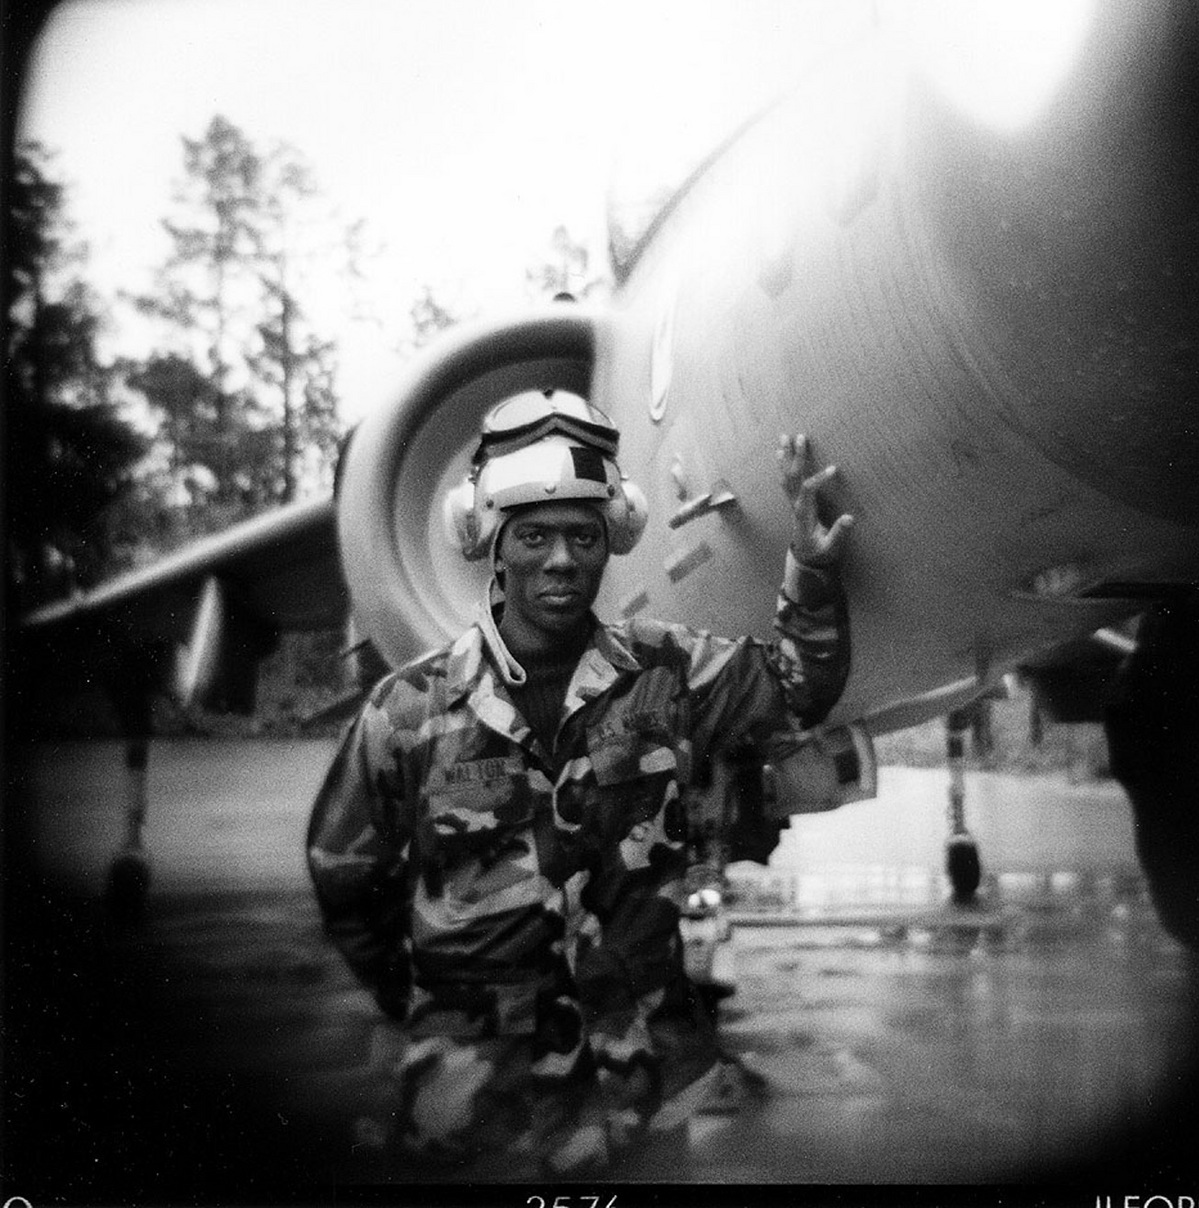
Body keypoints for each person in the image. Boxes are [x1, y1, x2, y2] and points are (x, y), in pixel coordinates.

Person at [307, 387, 854, 1177]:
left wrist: (810, 566)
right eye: (533, 535)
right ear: (490, 543)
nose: (561, 560)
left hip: (640, 1088)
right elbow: (344, 876)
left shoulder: (665, 673)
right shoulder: (410, 710)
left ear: (614, 539)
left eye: (583, 535)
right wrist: (439, 1010)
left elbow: (797, 686)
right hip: (477, 1106)